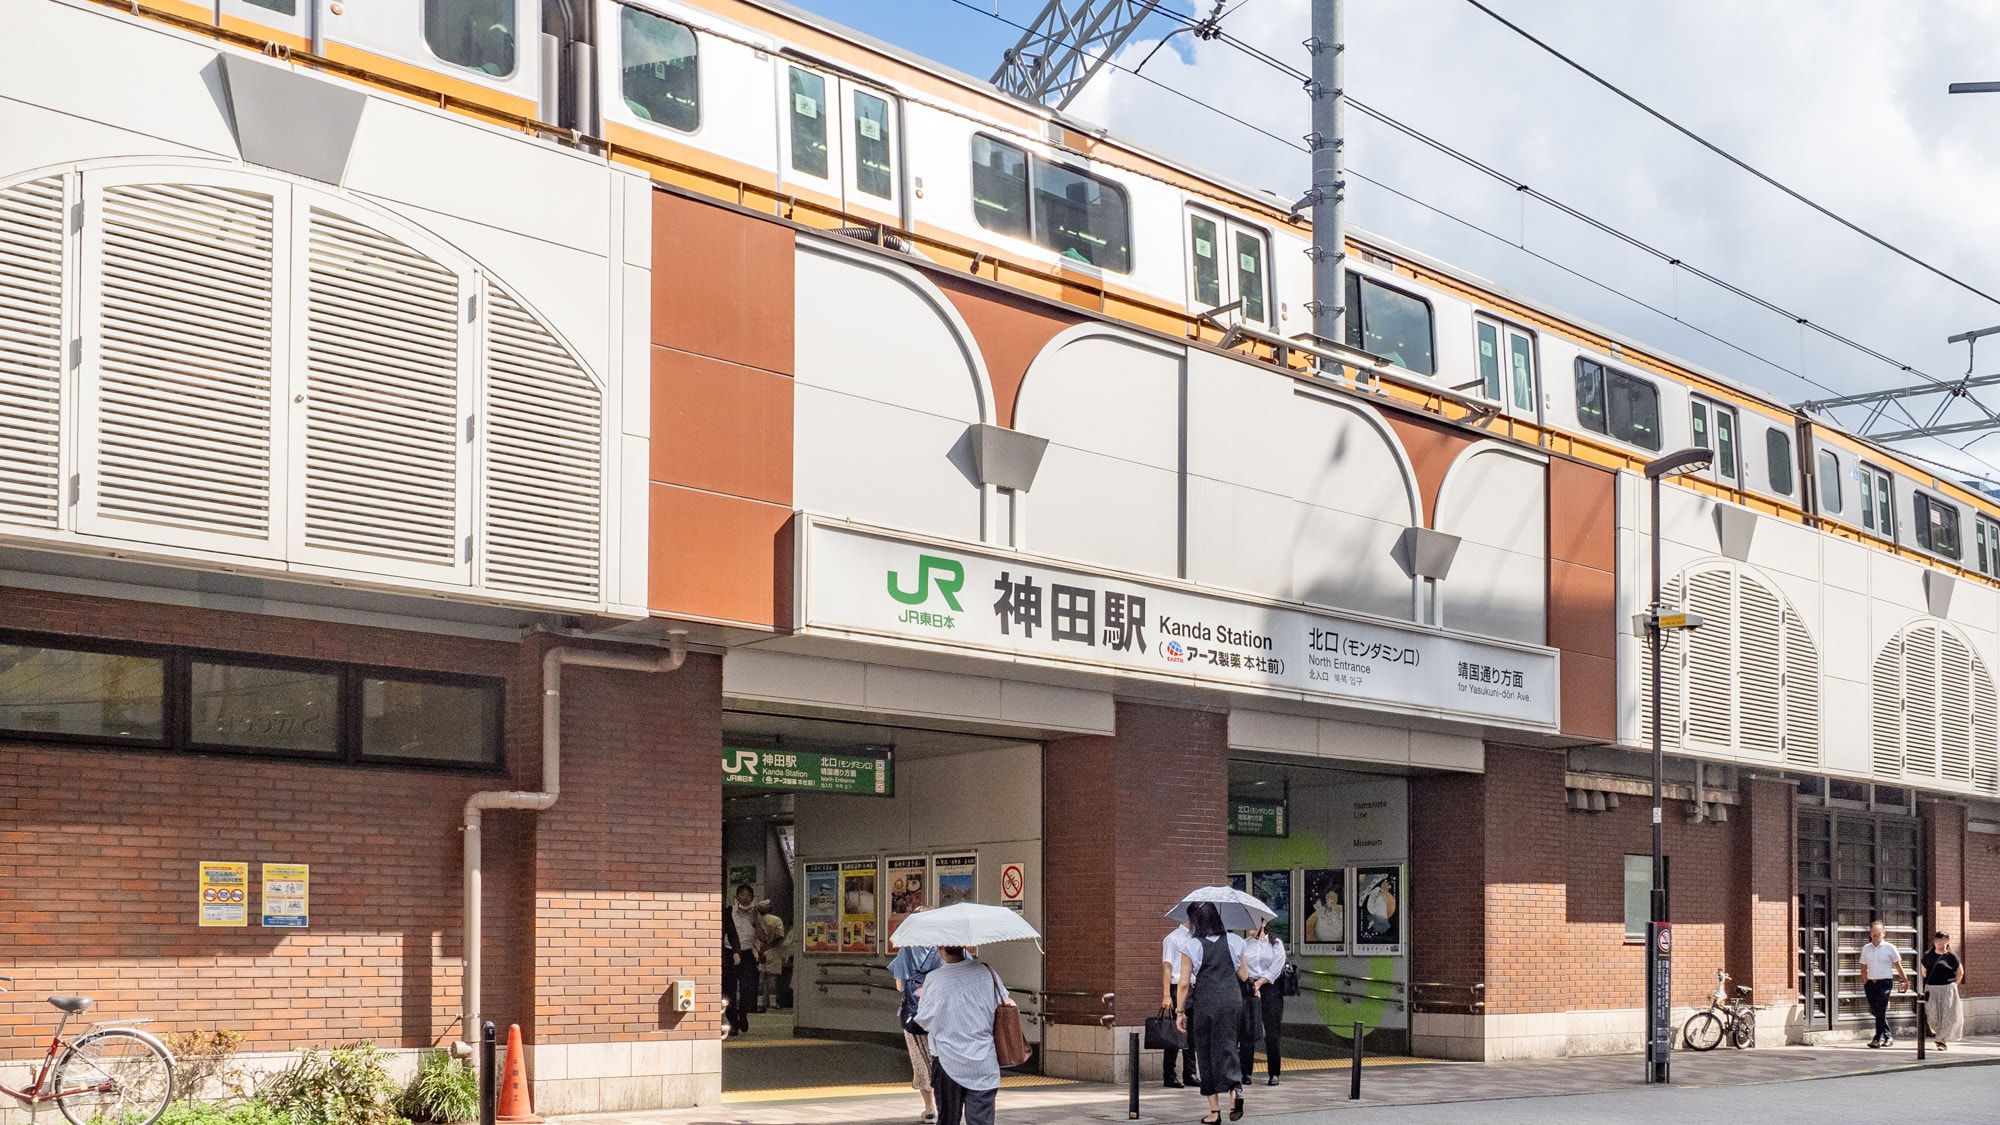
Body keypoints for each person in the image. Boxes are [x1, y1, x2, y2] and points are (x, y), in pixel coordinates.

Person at [914, 945, 1005, 1125]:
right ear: (963, 946)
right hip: (983, 1060)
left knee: (948, 1119)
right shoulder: (987, 973)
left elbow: (924, 1020)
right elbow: (1004, 1002)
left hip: (947, 1060)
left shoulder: (935, 979)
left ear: (940, 948)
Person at [1176, 902, 1249, 1125]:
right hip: (1231, 999)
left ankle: (1214, 1112)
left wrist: (1180, 1011)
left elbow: (1183, 984)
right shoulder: (1236, 941)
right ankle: (1235, 1088)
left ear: (1196, 922)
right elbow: (1245, 976)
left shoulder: (1191, 946)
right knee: (1228, 1045)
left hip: (1207, 1001)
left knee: (1206, 1051)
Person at [891, 915, 943, 1125]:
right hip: (940, 1014)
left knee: (920, 1061)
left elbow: (900, 986)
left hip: (914, 1014)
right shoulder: (942, 950)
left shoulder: (907, 949)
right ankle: (945, 1104)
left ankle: (929, 1108)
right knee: (939, 1059)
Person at [1237, 920, 1286, 1086]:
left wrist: (1260, 983)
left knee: (1272, 1031)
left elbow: (1276, 967)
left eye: (1254, 924)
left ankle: (1274, 1073)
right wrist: (1251, 984)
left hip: (1270, 988)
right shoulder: (1243, 945)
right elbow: (1240, 967)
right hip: (1248, 987)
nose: (1250, 928)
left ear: (1263, 924)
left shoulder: (1275, 943)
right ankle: (1245, 1072)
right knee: (1247, 1030)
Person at [1159, 921, 1198, 1088]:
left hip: (1193, 987)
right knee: (1174, 1033)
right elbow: (1167, 967)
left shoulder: (1196, 938)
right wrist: (1166, 995)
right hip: (1177, 987)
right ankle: (1169, 1075)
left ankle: (1190, 1073)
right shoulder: (1172, 938)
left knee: (1192, 1034)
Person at [1859, 920, 1910, 1048]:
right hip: (1871, 983)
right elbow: (1863, 966)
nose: (1876, 936)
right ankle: (1888, 1036)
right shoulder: (1866, 948)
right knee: (1876, 1011)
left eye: (1878, 933)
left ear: (1884, 934)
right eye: (1873, 933)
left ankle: (1876, 1038)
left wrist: (1905, 980)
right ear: (1870, 934)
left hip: (1885, 983)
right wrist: (1865, 982)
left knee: (1880, 1009)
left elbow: (1898, 965)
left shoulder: (1890, 948)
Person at [725, 884, 761, 1035]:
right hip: (729, 952)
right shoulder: (729, 912)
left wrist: (756, 918)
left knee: (748, 988)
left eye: (748, 895)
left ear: (752, 898)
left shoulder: (756, 914)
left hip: (747, 954)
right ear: (736, 897)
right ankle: (733, 1022)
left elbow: (762, 935)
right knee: (728, 990)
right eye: (742, 895)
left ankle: (743, 1014)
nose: (745, 898)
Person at [1921, 930, 1965, 1050]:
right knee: (1932, 1016)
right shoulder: (1928, 955)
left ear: (1947, 941)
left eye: (1943, 941)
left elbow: (1960, 972)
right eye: (1938, 941)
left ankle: (1941, 1041)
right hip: (1932, 988)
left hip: (1947, 988)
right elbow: (1924, 972)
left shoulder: (1951, 956)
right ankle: (1939, 1035)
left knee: (1947, 1015)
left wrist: (1954, 985)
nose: (1940, 944)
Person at [755, 900, 789, 1013]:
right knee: (772, 978)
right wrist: (769, 946)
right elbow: (779, 936)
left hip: (760, 951)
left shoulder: (757, 921)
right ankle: (773, 1003)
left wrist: (762, 948)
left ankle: (759, 1003)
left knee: (761, 978)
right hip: (773, 952)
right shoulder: (776, 920)